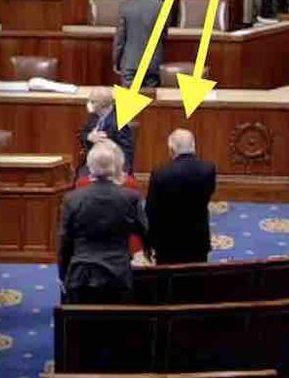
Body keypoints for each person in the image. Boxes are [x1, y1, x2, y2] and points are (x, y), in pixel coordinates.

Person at [59, 143, 148, 305]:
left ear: (90, 167)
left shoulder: (72, 199)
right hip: (118, 274)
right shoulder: (130, 198)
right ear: (115, 167)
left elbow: (65, 241)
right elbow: (144, 231)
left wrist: (63, 275)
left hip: (81, 274)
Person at [146, 129, 216, 265]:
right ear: (194, 146)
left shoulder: (160, 173)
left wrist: (149, 243)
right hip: (198, 240)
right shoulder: (208, 169)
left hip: (167, 242)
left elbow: (151, 211)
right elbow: (208, 194)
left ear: (171, 149)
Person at [115, 0, 164, 88]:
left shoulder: (126, 7)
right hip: (152, 63)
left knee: (128, 103)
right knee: (150, 103)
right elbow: (164, 34)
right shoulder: (161, 6)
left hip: (130, 63)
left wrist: (115, 61)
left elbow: (120, 40)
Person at [78, 88, 134, 178]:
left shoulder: (118, 123)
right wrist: (89, 137)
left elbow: (127, 151)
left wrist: (123, 172)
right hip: (93, 162)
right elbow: (82, 133)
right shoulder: (94, 116)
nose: (89, 104)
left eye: (92, 102)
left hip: (112, 167)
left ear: (102, 104)